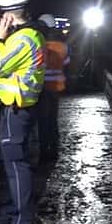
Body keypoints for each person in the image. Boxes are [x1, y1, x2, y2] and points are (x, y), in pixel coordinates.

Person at [0, 0, 46, 224]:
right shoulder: (28, 35)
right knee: (12, 165)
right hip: (17, 107)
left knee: (16, 165)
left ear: (9, 16)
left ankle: (22, 222)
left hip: (16, 108)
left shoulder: (22, 38)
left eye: (2, 15)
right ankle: (9, 214)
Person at [36, 14, 70, 163]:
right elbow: (67, 63)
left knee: (42, 122)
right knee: (53, 120)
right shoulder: (63, 46)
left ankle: (44, 153)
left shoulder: (39, 44)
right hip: (56, 88)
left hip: (42, 88)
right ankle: (54, 150)